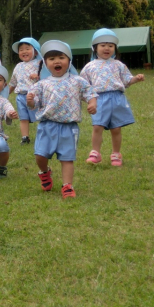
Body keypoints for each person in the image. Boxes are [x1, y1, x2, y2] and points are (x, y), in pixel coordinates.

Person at [27, 40, 97, 199]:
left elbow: (90, 93)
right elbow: (34, 104)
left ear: (69, 61)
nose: (56, 61)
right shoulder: (42, 84)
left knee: (67, 158)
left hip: (68, 127)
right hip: (46, 125)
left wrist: (92, 104)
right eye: (51, 59)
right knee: (40, 155)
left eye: (61, 57)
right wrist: (30, 101)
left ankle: (67, 186)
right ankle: (45, 172)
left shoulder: (77, 81)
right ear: (45, 64)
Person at [80, 29, 145, 166]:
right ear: (95, 48)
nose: (107, 48)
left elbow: (127, 81)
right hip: (99, 99)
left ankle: (116, 154)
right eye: (102, 45)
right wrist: (87, 99)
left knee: (116, 128)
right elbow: (83, 85)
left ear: (115, 48)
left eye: (110, 45)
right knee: (97, 126)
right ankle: (95, 153)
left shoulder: (119, 65)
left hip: (117, 98)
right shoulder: (89, 67)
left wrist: (135, 79)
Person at [9, 37, 42, 145]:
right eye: (21, 49)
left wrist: (38, 76)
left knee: (39, 117)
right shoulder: (18, 66)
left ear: (36, 51)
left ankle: (42, 136)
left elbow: (47, 79)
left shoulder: (39, 63)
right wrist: (5, 93)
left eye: (27, 48)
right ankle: (25, 137)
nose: (24, 51)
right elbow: (13, 82)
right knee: (23, 118)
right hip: (20, 96)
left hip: (34, 96)